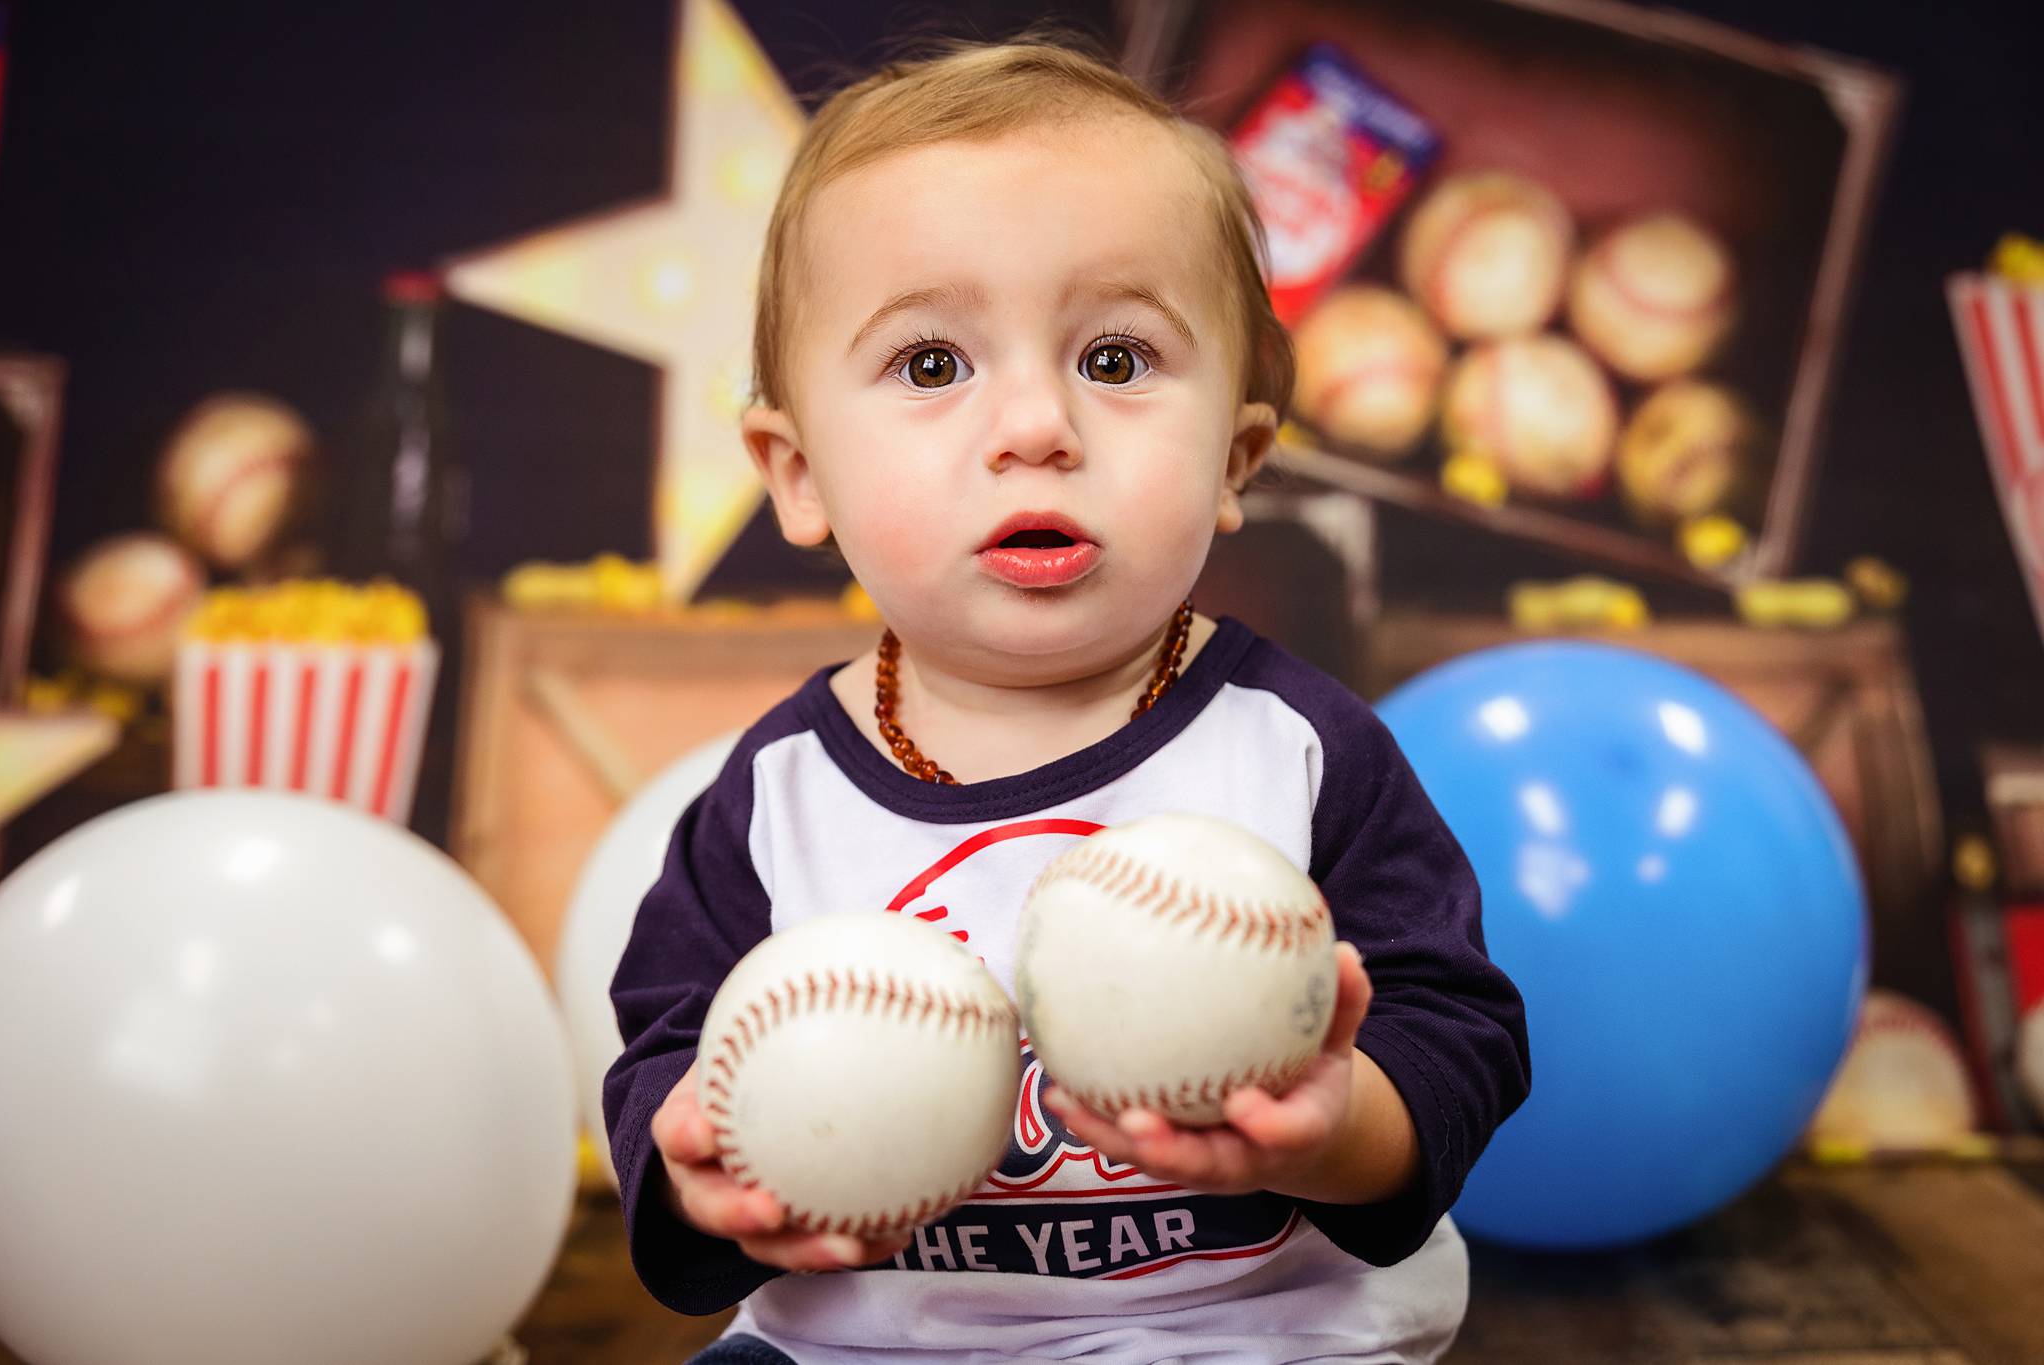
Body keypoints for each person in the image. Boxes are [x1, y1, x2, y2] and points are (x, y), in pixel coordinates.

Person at [604, 35, 1530, 1363]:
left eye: (1114, 358)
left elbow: (1460, 1028)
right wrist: (705, 1178)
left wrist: (1344, 1128)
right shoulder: (776, 799)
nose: (1036, 423)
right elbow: (667, 1066)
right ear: (794, 471)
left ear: (1237, 456)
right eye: (933, 365)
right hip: (871, 1345)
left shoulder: (1298, 750)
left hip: (1246, 1333)